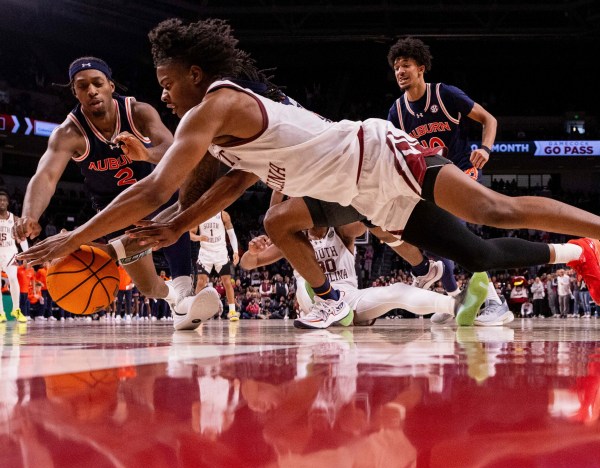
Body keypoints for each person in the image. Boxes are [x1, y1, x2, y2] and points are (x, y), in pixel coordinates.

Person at [17, 18, 600, 333]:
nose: (164, 94)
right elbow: (230, 181)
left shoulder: (216, 105)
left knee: (491, 209)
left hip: (375, 153)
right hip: (363, 194)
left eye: (168, 82)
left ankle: (597, 229)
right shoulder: (219, 128)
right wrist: (174, 228)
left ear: (195, 74)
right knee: (479, 255)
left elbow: (154, 187)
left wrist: (74, 238)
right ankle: (578, 255)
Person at [12, 57, 219, 330]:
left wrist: (145, 153)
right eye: (82, 86)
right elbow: (46, 176)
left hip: (156, 192)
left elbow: (175, 151)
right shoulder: (69, 132)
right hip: (115, 210)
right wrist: (30, 214)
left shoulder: (139, 112)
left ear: (110, 85)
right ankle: (173, 297)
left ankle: (184, 295)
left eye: (98, 83)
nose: (92, 91)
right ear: (75, 92)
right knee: (147, 287)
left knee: (174, 199)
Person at [386, 37, 511, 327]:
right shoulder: (397, 112)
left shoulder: (444, 94)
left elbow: (488, 119)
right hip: (428, 181)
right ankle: (455, 296)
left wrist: (486, 149)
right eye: (396, 68)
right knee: (437, 243)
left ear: (421, 68)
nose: (400, 72)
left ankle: (494, 301)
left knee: (457, 236)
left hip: (460, 173)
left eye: (405, 65)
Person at [240, 218, 490, 327]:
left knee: (397, 291)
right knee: (306, 282)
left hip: (349, 299)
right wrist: (252, 252)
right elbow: (247, 264)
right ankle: (330, 306)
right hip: (314, 304)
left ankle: (457, 307)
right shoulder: (293, 240)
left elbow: (365, 222)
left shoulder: (342, 232)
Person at [189, 210, 240, 320]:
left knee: (227, 282)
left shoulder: (223, 215)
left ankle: (232, 311)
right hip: (205, 253)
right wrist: (199, 238)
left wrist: (235, 251)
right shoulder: (199, 215)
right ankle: (196, 312)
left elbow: (231, 234)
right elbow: (191, 235)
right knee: (200, 283)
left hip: (220, 252)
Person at [0, 189, 28, 322]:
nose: (2, 202)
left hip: (11, 251)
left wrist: (26, 255)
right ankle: (1, 313)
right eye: (0, 200)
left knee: (13, 278)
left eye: (4, 200)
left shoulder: (15, 219)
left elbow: (22, 238)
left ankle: (16, 309)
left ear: (8, 203)